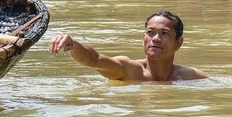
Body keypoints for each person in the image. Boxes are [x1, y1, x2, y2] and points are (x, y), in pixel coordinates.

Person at [48, 11, 208, 82]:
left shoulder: (191, 76)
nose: (156, 39)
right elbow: (94, 59)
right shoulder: (130, 70)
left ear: (178, 43)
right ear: (143, 37)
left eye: (164, 34)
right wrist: (74, 45)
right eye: (150, 32)